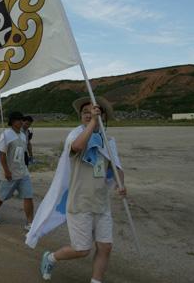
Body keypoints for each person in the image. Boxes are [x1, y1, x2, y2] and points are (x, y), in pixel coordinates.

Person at [39, 97, 126, 282]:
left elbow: (116, 167)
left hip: (101, 203)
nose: (89, 114)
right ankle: (50, 258)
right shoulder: (75, 135)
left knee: (105, 248)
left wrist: (122, 182)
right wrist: (93, 123)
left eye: (94, 111)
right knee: (81, 250)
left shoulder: (108, 141)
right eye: (86, 112)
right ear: (81, 116)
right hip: (80, 203)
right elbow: (78, 146)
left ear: (103, 115)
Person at [0, 112, 34, 230]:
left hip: (23, 172)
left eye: (21, 119)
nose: (21, 121)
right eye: (18, 119)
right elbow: (2, 153)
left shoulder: (23, 135)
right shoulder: (6, 134)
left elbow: (23, 152)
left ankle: (29, 222)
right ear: (12, 121)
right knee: (3, 197)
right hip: (9, 173)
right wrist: (6, 170)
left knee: (28, 196)